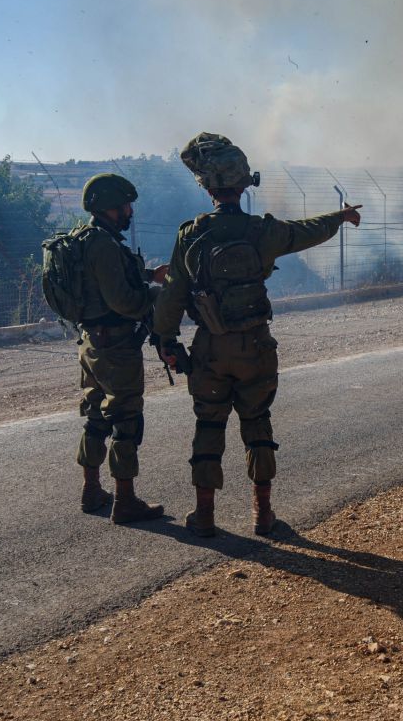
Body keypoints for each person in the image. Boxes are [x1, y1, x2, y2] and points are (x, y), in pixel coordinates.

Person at [152, 133, 361, 537]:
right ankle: (262, 514)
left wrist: (166, 341)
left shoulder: (190, 235)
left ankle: (205, 516)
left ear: (207, 187)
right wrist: (340, 217)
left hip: (210, 349)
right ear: (244, 184)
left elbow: (172, 296)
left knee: (208, 426)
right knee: (258, 423)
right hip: (255, 347)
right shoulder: (261, 232)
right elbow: (306, 231)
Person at [74, 173, 167, 524]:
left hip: (90, 343)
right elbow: (124, 301)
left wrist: (147, 275)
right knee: (126, 420)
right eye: (125, 205)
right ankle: (125, 501)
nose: (130, 211)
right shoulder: (104, 244)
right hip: (116, 346)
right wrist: (156, 295)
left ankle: (91, 490)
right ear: (109, 208)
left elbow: (103, 281)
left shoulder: (84, 239)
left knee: (95, 416)